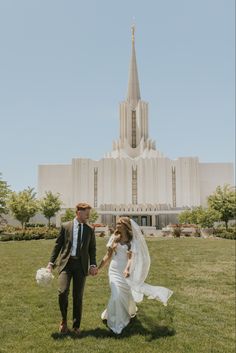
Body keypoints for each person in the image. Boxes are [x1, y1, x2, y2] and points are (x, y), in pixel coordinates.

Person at [98, 216, 173, 334]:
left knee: (124, 295)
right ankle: (116, 322)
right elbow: (108, 255)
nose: (117, 225)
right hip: (114, 270)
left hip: (126, 271)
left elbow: (131, 258)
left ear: (126, 226)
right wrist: (99, 267)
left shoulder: (133, 240)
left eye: (120, 224)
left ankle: (123, 314)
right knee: (116, 295)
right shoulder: (114, 238)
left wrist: (128, 269)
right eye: (117, 223)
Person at [47, 202, 98, 335]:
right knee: (62, 292)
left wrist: (93, 264)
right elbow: (57, 245)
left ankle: (76, 326)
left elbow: (92, 249)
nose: (88, 215)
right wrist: (51, 263)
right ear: (78, 212)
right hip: (66, 264)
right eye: (86, 213)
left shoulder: (89, 229)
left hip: (81, 266)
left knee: (78, 296)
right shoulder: (66, 226)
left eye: (89, 213)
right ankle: (64, 320)